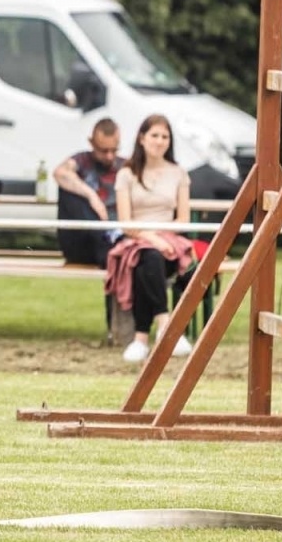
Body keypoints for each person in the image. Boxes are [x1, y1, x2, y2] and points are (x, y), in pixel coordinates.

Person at [106, 114, 195, 363]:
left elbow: (183, 220)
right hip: (139, 241)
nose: (159, 141)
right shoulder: (126, 174)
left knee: (147, 262)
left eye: (165, 136)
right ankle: (167, 326)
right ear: (142, 138)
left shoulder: (178, 173)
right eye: (154, 135)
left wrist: (161, 237)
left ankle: (141, 339)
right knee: (146, 257)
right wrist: (152, 238)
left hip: (170, 244)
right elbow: (126, 222)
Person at [53, 118, 123, 268]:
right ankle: (104, 243)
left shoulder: (126, 166)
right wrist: (92, 196)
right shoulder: (82, 160)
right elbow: (60, 173)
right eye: (104, 151)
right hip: (84, 241)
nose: (110, 156)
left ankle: (108, 244)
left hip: (117, 237)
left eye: (114, 150)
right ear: (92, 143)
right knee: (69, 190)